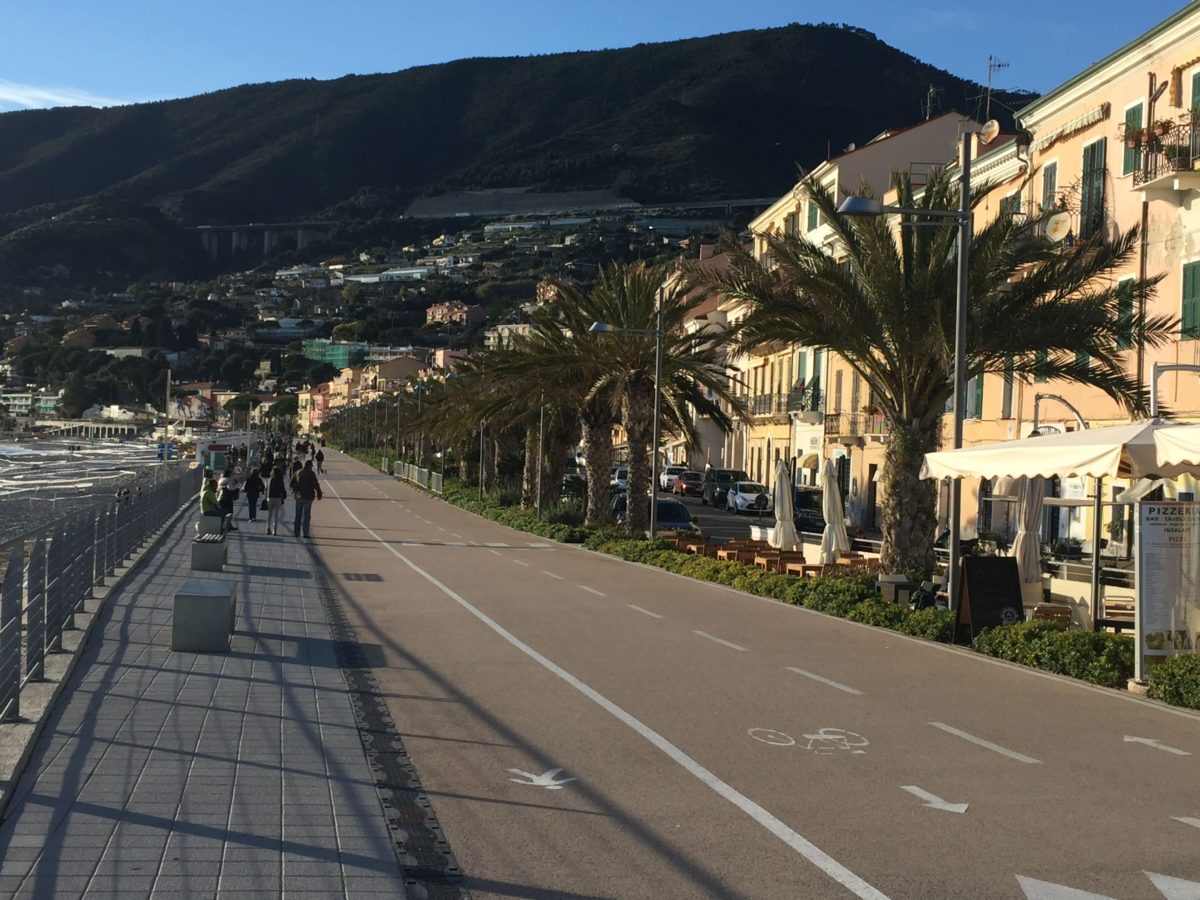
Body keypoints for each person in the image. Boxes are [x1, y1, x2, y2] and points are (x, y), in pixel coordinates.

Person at [292, 460, 322, 538]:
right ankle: (305, 533)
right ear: (309, 465)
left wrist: (295, 489)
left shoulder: (298, 472)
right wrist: (319, 493)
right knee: (306, 515)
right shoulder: (311, 474)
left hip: (299, 496)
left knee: (298, 515)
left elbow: (292, 483)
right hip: (308, 496)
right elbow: (316, 484)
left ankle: (296, 532)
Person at [266, 466, 287, 535]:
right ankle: (275, 530)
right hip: (278, 498)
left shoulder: (270, 479)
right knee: (276, 515)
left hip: (270, 498)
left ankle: (268, 528)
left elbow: (267, 489)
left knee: (269, 514)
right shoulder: (280, 480)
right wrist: (284, 496)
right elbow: (283, 489)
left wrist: (266, 497)